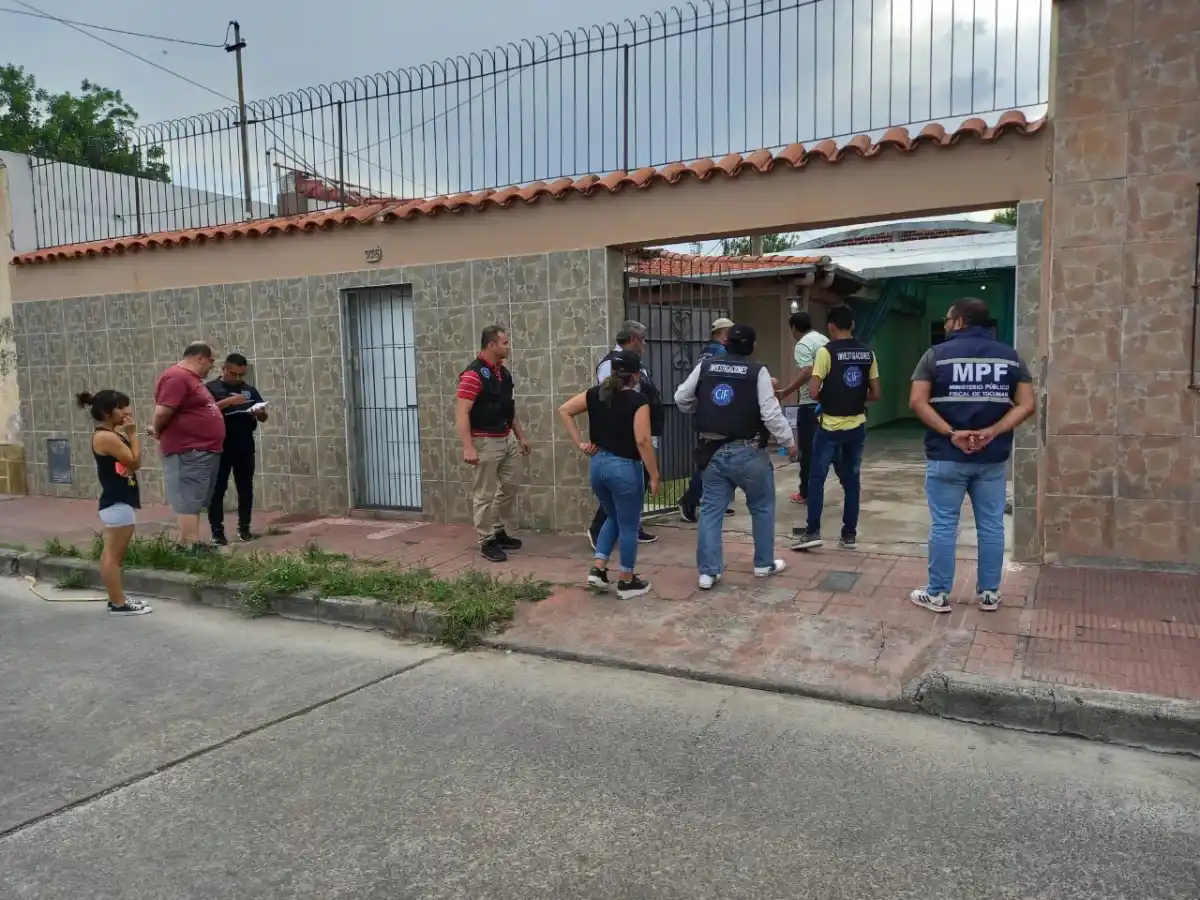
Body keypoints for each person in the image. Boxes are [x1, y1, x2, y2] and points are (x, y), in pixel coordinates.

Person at [908, 298, 1035, 613]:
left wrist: (951, 433)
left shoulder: (934, 355)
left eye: (948, 319)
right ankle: (990, 594)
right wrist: (993, 431)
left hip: (946, 456)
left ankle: (937, 594)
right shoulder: (1011, 358)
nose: (946, 324)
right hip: (991, 458)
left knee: (944, 525)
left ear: (960, 322)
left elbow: (917, 401)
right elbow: (1027, 404)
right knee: (991, 525)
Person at [675, 324, 796, 589]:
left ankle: (708, 573)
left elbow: (681, 397)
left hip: (712, 451)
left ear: (726, 342)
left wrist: (701, 407)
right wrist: (789, 441)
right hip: (749, 452)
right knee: (762, 507)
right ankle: (763, 564)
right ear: (751, 347)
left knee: (710, 511)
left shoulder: (706, 366)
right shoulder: (757, 371)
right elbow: (771, 413)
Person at [558, 349, 661, 599]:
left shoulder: (595, 394)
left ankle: (598, 569)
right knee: (628, 524)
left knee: (612, 518)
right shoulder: (638, 402)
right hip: (624, 469)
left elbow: (564, 410)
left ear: (614, 371)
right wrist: (654, 474)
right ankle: (627, 580)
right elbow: (643, 440)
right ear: (635, 376)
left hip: (598, 466)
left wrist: (581, 444)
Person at [791, 305, 880, 551]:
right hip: (857, 426)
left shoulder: (825, 352)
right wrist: (853, 398)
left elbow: (813, 391)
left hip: (829, 426)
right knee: (851, 481)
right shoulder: (867, 353)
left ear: (831, 326)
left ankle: (813, 533)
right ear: (852, 325)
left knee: (816, 479)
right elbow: (876, 393)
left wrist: (833, 399)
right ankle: (849, 535)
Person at [455, 325, 532, 563]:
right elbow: (462, 413)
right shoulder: (473, 374)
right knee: (484, 493)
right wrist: (468, 446)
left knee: (510, 485)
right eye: (505, 343)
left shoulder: (503, 373)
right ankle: (486, 540)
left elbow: (509, 408)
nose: (508, 346)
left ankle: (498, 530)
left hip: (506, 436)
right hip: (484, 440)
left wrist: (521, 436)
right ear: (491, 345)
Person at [77, 389, 151, 616]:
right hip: (116, 501)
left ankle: (117, 599)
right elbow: (134, 461)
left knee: (113, 555)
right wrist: (133, 434)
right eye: (122, 407)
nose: (127, 411)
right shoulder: (105, 436)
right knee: (113, 555)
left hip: (120, 500)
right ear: (108, 412)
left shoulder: (110, 434)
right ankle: (118, 603)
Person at [588, 321, 661, 548]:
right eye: (642, 339)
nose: (645, 344)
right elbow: (607, 400)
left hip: (640, 429)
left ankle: (634, 525)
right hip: (624, 436)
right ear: (632, 339)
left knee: (633, 485)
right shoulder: (610, 364)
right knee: (621, 486)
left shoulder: (635, 364)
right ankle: (598, 530)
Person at [150, 342, 226, 553]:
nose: (212, 366)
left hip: (203, 449)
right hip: (188, 450)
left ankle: (188, 541)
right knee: (187, 494)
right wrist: (157, 430)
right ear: (200, 357)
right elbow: (163, 412)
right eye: (211, 360)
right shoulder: (176, 377)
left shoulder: (192, 380)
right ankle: (190, 544)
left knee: (195, 497)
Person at [678, 317, 738, 522]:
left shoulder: (706, 352)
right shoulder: (721, 353)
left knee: (714, 460)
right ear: (725, 334)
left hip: (706, 411)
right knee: (712, 462)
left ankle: (716, 500)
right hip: (720, 412)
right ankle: (689, 499)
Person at [206, 353, 268, 545]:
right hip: (220, 446)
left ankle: (245, 529)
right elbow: (202, 412)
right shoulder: (209, 389)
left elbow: (263, 417)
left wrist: (260, 413)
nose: (238, 379)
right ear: (223, 369)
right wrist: (227, 403)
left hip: (244, 445)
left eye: (242, 375)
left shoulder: (248, 390)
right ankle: (217, 532)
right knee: (218, 489)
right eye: (234, 374)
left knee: (245, 488)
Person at [774, 310, 829, 504]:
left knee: (807, 450)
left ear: (793, 328)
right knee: (825, 449)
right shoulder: (823, 339)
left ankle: (806, 492)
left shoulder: (803, 344)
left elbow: (807, 371)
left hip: (810, 404)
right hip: (827, 402)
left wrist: (786, 391)